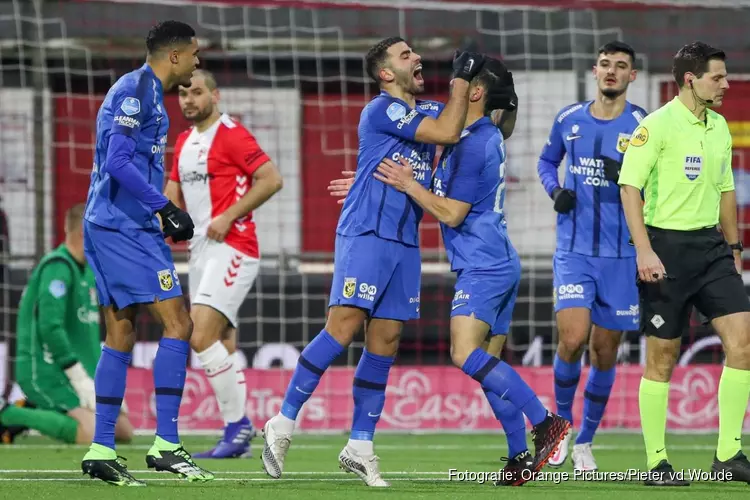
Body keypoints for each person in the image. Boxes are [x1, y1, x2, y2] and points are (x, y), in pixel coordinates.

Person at [260, 37, 487, 487]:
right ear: (385, 73)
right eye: (406, 56)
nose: (417, 58)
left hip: (404, 240)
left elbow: (454, 128)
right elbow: (445, 133)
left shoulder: (422, 113)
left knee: (386, 340)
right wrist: (460, 77)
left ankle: (360, 445)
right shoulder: (381, 109)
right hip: (365, 232)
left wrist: (471, 89)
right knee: (342, 327)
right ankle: (282, 422)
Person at [371, 59, 571, 486]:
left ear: (476, 94)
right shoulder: (486, 133)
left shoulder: (472, 145)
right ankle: (520, 454)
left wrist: (410, 186)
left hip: (483, 265)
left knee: (463, 353)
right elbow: (503, 123)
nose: (452, 93)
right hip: (498, 260)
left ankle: (545, 422)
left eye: (462, 86)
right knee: (488, 364)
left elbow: (453, 212)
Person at [80, 21, 214, 486]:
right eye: (194, 53)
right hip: (125, 228)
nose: (199, 62)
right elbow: (117, 162)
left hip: (114, 225)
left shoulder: (149, 94)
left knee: (120, 331)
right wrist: (166, 208)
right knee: (179, 322)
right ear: (174, 56)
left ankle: (101, 449)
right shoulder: (136, 91)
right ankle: (167, 445)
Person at [619, 41, 750, 486]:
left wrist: (734, 249)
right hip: (665, 249)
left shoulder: (718, 128)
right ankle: (656, 461)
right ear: (690, 79)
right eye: (718, 76)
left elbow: (726, 191)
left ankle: (729, 453)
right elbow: (629, 189)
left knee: (744, 344)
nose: (726, 84)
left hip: (712, 250)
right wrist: (643, 250)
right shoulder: (654, 127)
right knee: (662, 358)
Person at [536, 41, 647, 471]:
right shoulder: (569, 118)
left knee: (604, 352)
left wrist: (632, 179)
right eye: (605, 64)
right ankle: (560, 428)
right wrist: (555, 191)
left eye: (621, 65)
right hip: (574, 250)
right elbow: (547, 162)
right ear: (594, 70)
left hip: (621, 255)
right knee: (572, 338)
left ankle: (586, 440)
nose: (611, 72)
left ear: (632, 76)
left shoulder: (642, 125)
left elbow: (655, 184)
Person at [165, 69, 283, 458]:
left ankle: (239, 426)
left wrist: (228, 215)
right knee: (221, 342)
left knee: (198, 334)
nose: (188, 100)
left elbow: (271, 179)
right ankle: (236, 436)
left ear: (214, 96)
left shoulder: (233, 134)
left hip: (234, 247)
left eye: (196, 92)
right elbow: (173, 191)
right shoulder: (183, 141)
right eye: (182, 94)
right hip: (199, 252)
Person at [0, 204, 133, 445]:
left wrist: (101, 380)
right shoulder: (57, 267)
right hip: (47, 369)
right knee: (91, 434)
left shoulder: (89, 271)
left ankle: (37, 408)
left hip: (79, 371)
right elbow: (50, 327)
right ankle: (8, 415)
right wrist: (76, 374)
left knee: (123, 431)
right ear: (85, 232)